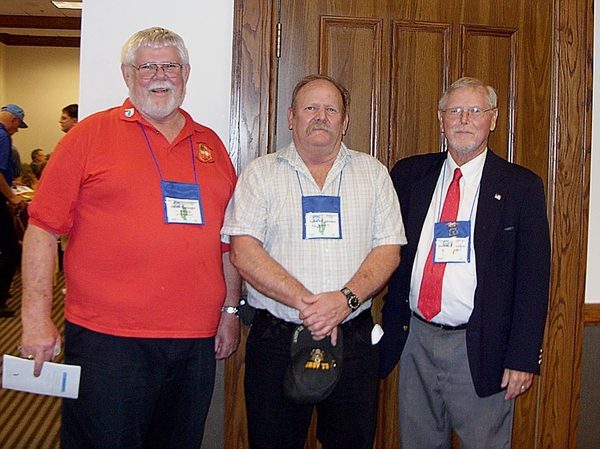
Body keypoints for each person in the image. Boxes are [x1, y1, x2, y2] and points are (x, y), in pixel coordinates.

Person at [20, 27, 240, 449]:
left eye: (170, 65)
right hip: (109, 341)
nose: (160, 75)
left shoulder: (210, 145)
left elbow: (227, 243)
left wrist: (230, 310)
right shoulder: (88, 136)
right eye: (147, 66)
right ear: (126, 73)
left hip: (195, 340)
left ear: (186, 73)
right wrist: (34, 316)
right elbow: (42, 228)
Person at [222, 74, 407, 449]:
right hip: (276, 338)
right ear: (291, 117)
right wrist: (310, 305)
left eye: (331, 109)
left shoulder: (373, 174)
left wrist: (344, 301)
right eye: (310, 108)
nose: (320, 116)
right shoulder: (260, 174)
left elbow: (389, 249)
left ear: (345, 120)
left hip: (352, 338)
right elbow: (243, 251)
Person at [379, 77, 551, 449]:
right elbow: (383, 248)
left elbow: (534, 280)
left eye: (475, 111)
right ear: (441, 119)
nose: (463, 119)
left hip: (481, 346)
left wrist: (523, 357)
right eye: (454, 111)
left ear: (492, 120)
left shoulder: (521, 187)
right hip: (415, 340)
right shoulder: (409, 176)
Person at [0, 104, 28, 318]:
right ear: (14, 121)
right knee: (11, 249)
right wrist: (11, 196)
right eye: (18, 127)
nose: (16, 131)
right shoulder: (2, 137)